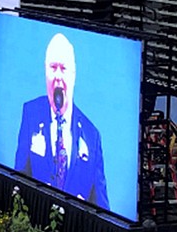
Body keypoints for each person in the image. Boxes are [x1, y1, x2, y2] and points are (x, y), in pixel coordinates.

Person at [14, 33, 109, 209]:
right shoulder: (31, 113)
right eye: (53, 67)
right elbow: (20, 173)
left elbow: (101, 205)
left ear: (73, 75)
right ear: (45, 71)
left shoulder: (91, 135)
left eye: (63, 68)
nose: (57, 75)